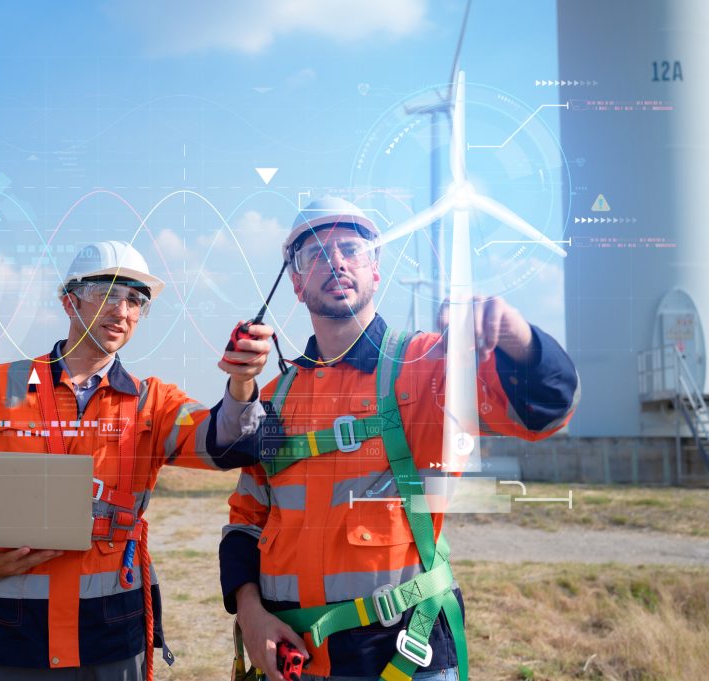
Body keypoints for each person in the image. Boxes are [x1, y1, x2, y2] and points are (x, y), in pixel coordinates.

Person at [219, 198, 580, 681]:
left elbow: (545, 410)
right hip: (294, 660)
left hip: (404, 657)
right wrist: (250, 611)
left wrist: (519, 339)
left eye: (350, 248)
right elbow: (246, 521)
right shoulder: (276, 398)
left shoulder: (426, 368)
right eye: (315, 256)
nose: (336, 262)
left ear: (375, 268)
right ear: (297, 283)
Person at [0, 240, 273, 681]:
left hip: (110, 640)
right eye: (107, 294)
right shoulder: (0, 388)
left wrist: (241, 384)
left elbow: (223, 442)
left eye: (134, 301)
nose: (122, 311)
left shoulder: (152, 402)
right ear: (69, 302)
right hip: (9, 637)